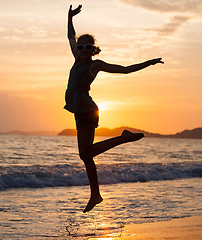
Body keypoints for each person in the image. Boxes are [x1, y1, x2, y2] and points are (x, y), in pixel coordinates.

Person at [65, 5, 164, 213]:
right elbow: (70, 37)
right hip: (78, 110)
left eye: (87, 47)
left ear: (93, 50)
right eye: (81, 47)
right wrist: (69, 17)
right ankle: (95, 194)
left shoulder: (95, 65)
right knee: (86, 155)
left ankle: (123, 139)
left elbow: (125, 70)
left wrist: (150, 62)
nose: (82, 50)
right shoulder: (76, 58)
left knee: (86, 154)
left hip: (86, 109)